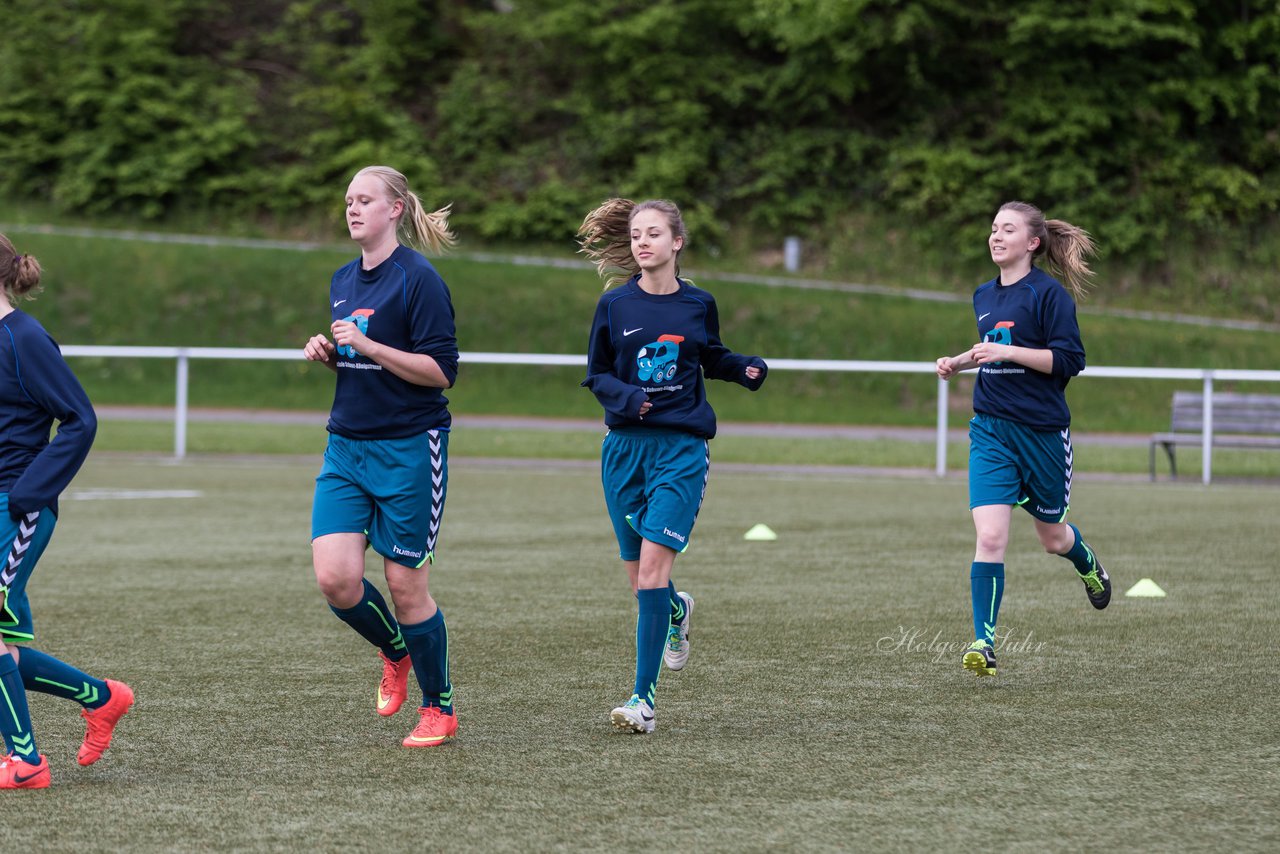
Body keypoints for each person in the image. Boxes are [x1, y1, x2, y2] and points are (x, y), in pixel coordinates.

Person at [578, 198, 767, 733]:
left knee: (652, 575)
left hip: (680, 450)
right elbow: (595, 375)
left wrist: (745, 368)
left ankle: (643, 702)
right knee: (640, 581)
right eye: (636, 234)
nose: (642, 242)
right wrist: (627, 398)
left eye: (654, 233)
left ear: (676, 242)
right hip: (623, 451)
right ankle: (677, 612)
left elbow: (711, 356)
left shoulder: (697, 303)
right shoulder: (614, 306)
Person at [303, 166, 461, 748]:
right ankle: (396, 651)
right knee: (336, 580)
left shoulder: (418, 280)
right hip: (346, 446)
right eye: (348, 200)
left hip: (409, 448)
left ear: (395, 209)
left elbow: (441, 372)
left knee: (404, 585)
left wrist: (365, 344)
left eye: (364, 200)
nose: (352, 209)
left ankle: (438, 707)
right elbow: (363, 363)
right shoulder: (343, 278)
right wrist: (332, 355)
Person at [935, 201, 1112, 678]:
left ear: (1032, 243)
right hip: (991, 429)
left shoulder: (1049, 296)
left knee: (1053, 539)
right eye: (993, 228)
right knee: (990, 536)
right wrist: (960, 361)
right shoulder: (982, 295)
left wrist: (1006, 350)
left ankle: (1089, 563)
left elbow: (1069, 361)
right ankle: (983, 643)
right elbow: (991, 349)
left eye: (1007, 229)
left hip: (1042, 434)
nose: (995, 236)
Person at [0, 234, 134, 789]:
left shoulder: (24, 338)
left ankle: (26, 761)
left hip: (17, 505)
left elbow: (80, 418)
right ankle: (101, 698)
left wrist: (31, 493)